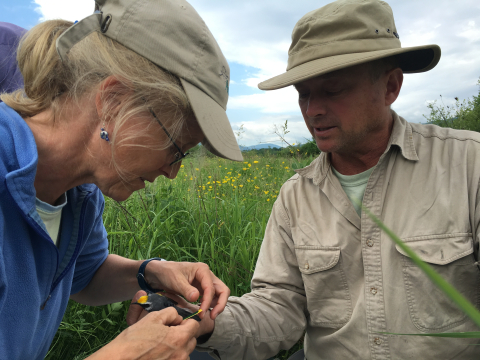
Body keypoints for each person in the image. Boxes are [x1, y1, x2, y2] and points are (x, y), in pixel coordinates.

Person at [128, 0, 480, 359]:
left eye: (333, 90)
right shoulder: (296, 197)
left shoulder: (469, 166)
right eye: (304, 93)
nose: (312, 111)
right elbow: (279, 307)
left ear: (390, 86)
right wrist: (204, 322)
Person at [0, 0, 243, 359]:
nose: (172, 171)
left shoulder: (81, 193)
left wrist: (149, 272)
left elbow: (86, 275)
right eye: (176, 146)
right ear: (113, 101)